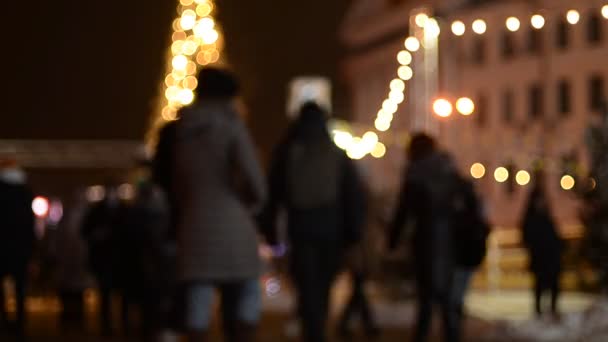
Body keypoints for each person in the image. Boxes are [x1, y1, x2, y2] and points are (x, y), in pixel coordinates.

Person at [155, 67, 266, 342]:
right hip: (233, 221)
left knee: (197, 299)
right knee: (244, 292)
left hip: (192, 223)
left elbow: (164, 178)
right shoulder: (231, 126)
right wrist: (254, 203)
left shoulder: (177, 131)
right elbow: (255, 180)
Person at [260, 102, 367, 342]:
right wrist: (354, 235)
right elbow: (353, 196)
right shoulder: (335, 152)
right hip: (332, 229)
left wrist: (270, 232)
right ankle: (318, 326)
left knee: (306, 284)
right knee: (324, 284)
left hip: (300, 227)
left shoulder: (287, 150)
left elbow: (273, 194)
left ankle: (312, 328)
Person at [388, 133, 460, 342]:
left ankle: (422, 335)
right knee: (447, 298)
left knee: (426, 298)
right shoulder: (448, 168)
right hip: (450, 239)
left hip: (425, 238)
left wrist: (393, 239)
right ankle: (452, 336)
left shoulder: (415, 173)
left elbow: (404, 210)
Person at [81, 183, 124, 337]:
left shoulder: (122, 211)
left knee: (118, 294)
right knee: (106, 294)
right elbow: (85, 231)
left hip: (119, 260)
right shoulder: (98, 212)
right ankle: (107, 325)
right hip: (105, 259)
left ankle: (119, 324)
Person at [0, 159, 36, 340]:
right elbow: (29, 226)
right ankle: (19, 324)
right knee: (20, 289)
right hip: (19, 250)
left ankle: (7, 322)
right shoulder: (24, 195)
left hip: (4, 249)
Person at [521, 173, 563, 319]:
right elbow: (526, 235)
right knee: (540, 284)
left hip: (551, 256)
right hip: (540, 256)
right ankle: (539, 312)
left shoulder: (546, 218)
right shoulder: (533, 220)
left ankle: (552, 309)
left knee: (553, 285)